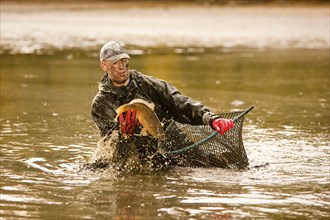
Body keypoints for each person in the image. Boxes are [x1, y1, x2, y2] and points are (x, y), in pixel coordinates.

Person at [91, 41, 234, 140]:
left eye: (124, 61)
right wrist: (123, 134)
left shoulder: (148, 84)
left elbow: (179, 102)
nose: (122, 66)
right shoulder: (100, 103)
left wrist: (210, 119)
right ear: (104, 66)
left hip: (169, 139)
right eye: (115, 62)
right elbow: (108, 139)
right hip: (137, 153)